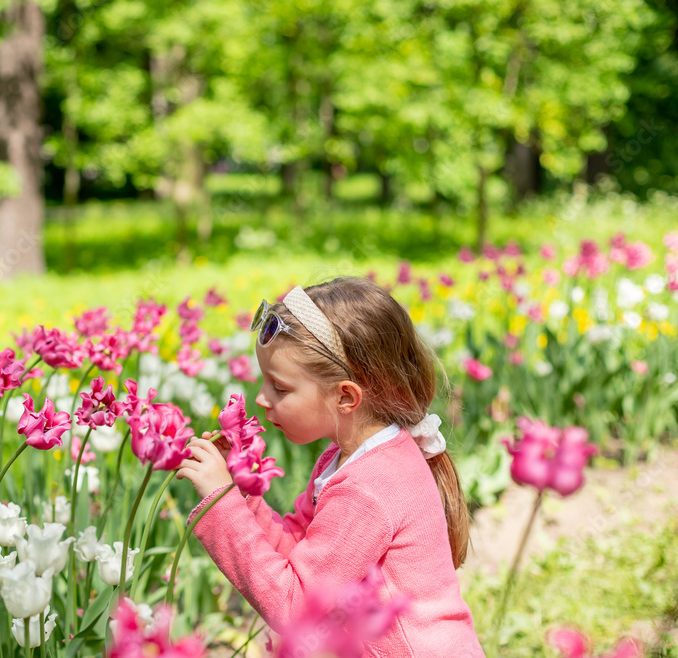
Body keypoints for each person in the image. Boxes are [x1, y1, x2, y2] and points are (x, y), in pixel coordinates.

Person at [176, 277, 485, 657]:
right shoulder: (351, 458)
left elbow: (296, 609)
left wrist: (219, 503)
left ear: (345, 396)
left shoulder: (368, 488)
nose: (262, 399)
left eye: (280, 388)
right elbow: (299, 553)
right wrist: (241, 495)